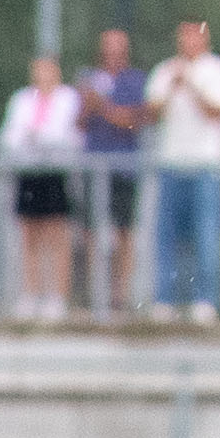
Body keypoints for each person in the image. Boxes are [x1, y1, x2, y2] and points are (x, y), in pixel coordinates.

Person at [142, 18, 220, 324]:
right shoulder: (164, 70)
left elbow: (219, 112)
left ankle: (205, 300)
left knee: (206, 236)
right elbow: (152, 113)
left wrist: (193, 87)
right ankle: (165, 299)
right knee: (167, 238)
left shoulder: (218, 70)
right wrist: (173, 87)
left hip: (205, 166)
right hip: (171, 164)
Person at [72, 28, 150, 316]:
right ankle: (97, 294)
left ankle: (120, 294)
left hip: (124, 167)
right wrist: (85, 104)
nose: (113, 52)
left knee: (124, 231)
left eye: (118, 47)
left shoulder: (136, 80)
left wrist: (102, 106)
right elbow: (79, 124)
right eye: (108, 47)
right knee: (92, 230)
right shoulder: (91, 79)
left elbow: (134, 121)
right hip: (94, 164)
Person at [3, 54, 85, 322]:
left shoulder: (67, 98)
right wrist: (32, 137)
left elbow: (62, 134)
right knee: (30, 235)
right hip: (28, 172)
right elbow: (10, 136)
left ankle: (57, 296)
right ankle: (31, 294)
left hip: (55, 174)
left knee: (56, 235)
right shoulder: (22, 99)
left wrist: (36, 136)